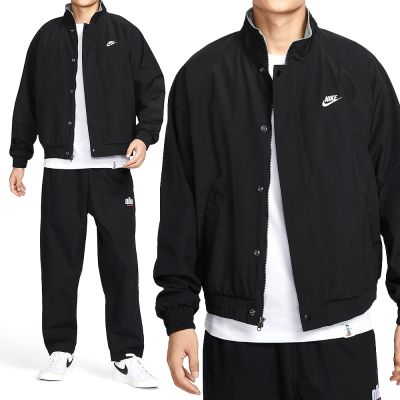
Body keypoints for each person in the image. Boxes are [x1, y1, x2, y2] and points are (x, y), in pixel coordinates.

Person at [154, 0, 400, 398]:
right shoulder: (200, 77)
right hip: (237, 341)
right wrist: (178, 315)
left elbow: (394, 191)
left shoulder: (358, 71)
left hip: (340, 336)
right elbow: (180, 207)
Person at [9, 0, 164, 387]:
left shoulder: (124, 33)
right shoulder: (46, 37)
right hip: (61, 171)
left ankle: (127, 355)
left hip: (112, 170)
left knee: (121, 264)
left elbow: (152, 88)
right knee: (58, 265)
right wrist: (19, 158)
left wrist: (144, 136)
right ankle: (60, 349)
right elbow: (26, 99)